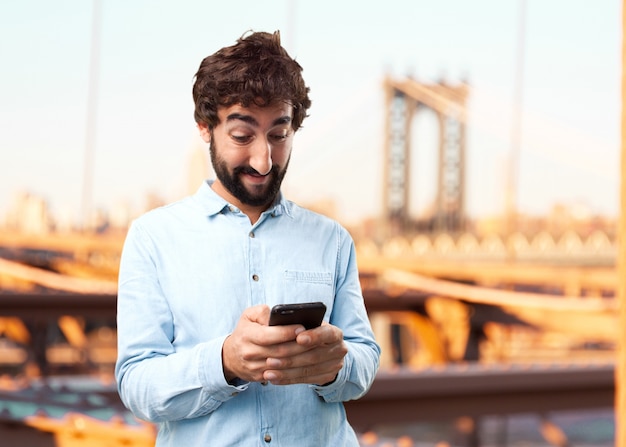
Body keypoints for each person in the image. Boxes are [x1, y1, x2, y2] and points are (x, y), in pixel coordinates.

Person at [115, 30, 381, 446]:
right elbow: (136, 384)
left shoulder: (333, 239)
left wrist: (334, 367)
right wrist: (225, 362)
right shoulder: (152, 239)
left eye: (280, 134)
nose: (264, 159)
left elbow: (364, 362)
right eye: (242, 136)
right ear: (205, 127)